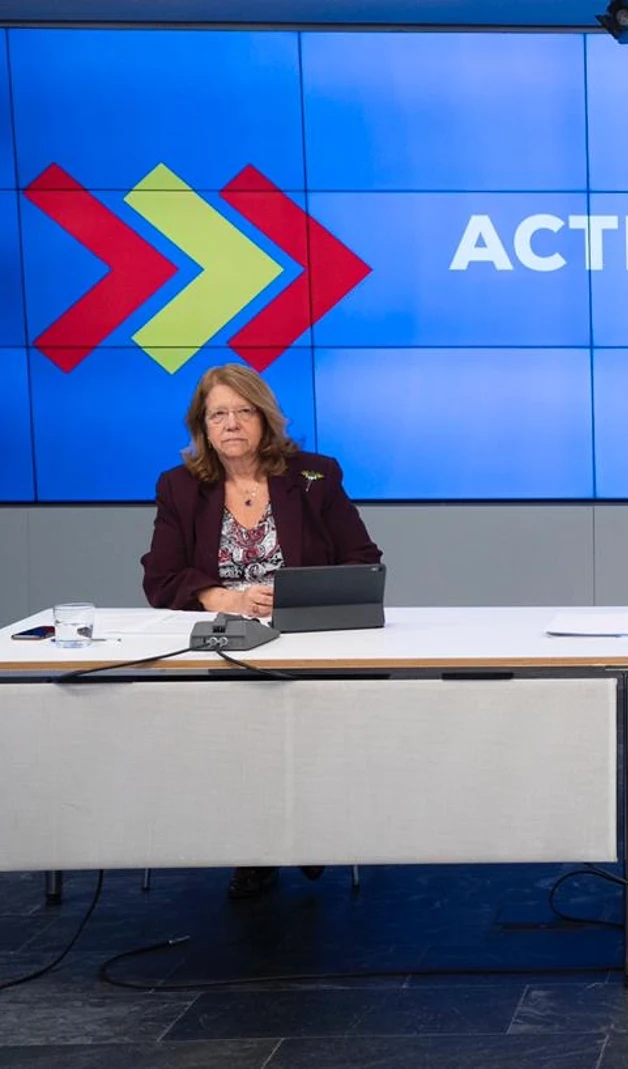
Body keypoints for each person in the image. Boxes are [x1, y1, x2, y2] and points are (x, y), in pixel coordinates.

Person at [141, 362, 383, 900]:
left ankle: (313, 832)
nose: (230, 424)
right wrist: (224, 597)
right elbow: (160, 577)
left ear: (265, 418)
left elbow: (362, 560)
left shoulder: (314, 477)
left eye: (242, 412)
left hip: (307, 638)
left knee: (308, 719)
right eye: (217, 414)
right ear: (202, 426)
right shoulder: (180, 488)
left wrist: (293, 594)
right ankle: (253, 848)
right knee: (235, 728)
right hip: (222, 639)